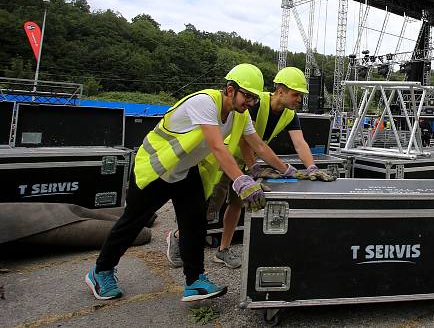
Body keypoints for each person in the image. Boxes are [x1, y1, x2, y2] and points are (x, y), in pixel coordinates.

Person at [85, 64, 293, 302]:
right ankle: (101, 271)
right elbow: (217, 146)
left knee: (194, 223)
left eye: (254, 99)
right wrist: (242, 182)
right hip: (157, 168)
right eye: (247, 96)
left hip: (185, 171)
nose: (250, 103)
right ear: (229, 90)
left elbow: (258, 145)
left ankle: (195, 281)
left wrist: (286, 169)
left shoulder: (240, 115)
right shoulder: (205, 102)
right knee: (132, 223)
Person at [166, 66, 334, 269]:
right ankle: (177, 236)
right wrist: (255, 167)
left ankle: (223, 250)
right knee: (208, 210)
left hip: (246, 164)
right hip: (223, 160)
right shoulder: (255, 102)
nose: (299, 99)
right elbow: (247, 141)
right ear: (280, 90)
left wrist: (311, 168)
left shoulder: (290, 115)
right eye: (296, 94)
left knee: (237, 204)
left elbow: (300, 143)